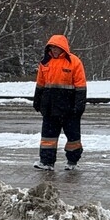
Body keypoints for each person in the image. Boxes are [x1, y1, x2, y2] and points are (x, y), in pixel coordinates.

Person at [32, 34, 87, 171]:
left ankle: (72, 161)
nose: (54, 50)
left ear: (63, 48)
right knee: (48, 137)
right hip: (50, 107)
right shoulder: (45, 62)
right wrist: (37, 100)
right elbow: (40, 83)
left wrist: (79, 105)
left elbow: (80, 86)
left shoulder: (74, 62)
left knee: (73, 137)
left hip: (69, 108)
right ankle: (46, 162)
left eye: (57, 48)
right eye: (52, 47)